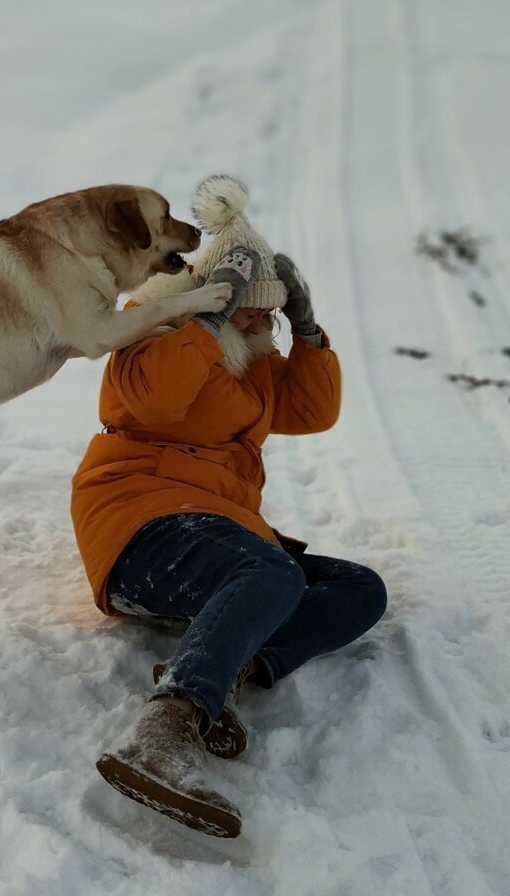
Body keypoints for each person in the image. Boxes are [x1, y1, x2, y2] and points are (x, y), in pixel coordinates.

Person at [70, 176, 387, 839]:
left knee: (360, 589)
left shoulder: (251, 360)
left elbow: (312, 411)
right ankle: (164, 730)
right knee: (273, 574)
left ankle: (230, 664)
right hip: (139, 525)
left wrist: (307, 330)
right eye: (252, 312)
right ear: (210, 303)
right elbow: (157, 402)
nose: (259, 325)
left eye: (269, 315)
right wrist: (211, 321)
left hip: (213, 533)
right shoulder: (149, 335)